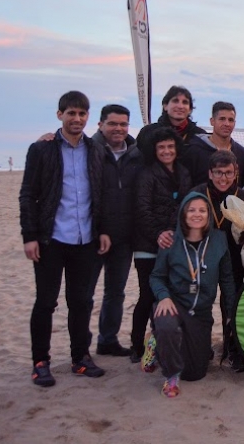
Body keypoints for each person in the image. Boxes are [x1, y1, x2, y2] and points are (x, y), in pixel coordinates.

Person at [20, 91, 107, 386]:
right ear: (60, 115)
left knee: (81, 301)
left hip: (85, 239)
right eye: (71, 113)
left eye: (82, 114)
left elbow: (101, 194)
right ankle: (40, 361)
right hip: (50, 239)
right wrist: (29, 236)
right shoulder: (41, 149)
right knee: (46, 302)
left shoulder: (96, 149)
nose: (77, 119)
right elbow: (28, 195)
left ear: (88, 117)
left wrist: (103, 230)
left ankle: (79, 358)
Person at [144, 192, 235, 398]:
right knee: (167, 325)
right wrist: (163, 296)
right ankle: (171, 375)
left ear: (208, 215)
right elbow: (156, 276)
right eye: (191, 210)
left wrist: (231, 310)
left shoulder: (219, 240)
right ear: (183, 214)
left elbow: (227, 280)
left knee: (195, 373)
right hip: (174, 305)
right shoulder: (170, 240)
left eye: (202, 210)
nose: (197, 214)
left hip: (201, 312)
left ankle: (157, 343)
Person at [132, 128, 192, 362]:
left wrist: (175, 233)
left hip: (174, 241)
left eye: (170, 146)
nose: (166, 151)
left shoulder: (184, 173)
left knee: (171, 294)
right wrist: (158, 233)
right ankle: (137, 346)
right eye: (161, 147)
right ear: (154, 151)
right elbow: (142, 209)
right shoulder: (146, 174)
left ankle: (161, 340)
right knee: (147, 296)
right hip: (148, 243)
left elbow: (185, 205)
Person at [190, 150, 244, 370]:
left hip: (232, 261)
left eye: (228, 173)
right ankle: (201, 347)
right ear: (210, 173)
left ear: (236, 173)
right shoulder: (198, 194)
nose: (223, 178)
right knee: (202, 304)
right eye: (218, 173)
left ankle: (232, 349)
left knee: (231, 304)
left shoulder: (243, 197)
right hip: (204, 260)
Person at [91, 103, 144, 357]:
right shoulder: (88, 150)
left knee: (116, 291)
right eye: (112, 123)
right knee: (84, 296)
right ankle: (79, 349)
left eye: (123, 124)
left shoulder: (136, 154)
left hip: (123, 238)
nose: (118, 128)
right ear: (100, 124)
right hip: (91, 236)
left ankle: (107, 340)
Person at [181, 101, 244, 187]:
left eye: (230, 120)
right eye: (222, 119)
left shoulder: (242, 154)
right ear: (212, 121)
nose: (227, 124)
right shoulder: (193, 150)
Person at [136, 86, 206, 161]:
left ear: (190, 110)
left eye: (185, 102)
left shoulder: (200, 136)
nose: (180, 106)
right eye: (175, 101)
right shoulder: (148, 132)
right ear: (165, 106)